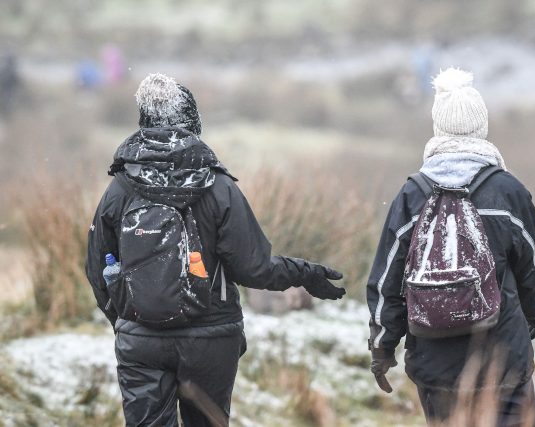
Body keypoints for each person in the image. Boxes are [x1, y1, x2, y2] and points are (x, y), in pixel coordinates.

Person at [85, 73, 345, 426]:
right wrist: (307, 274)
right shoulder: (218, 187)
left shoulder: (119, 190)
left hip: (140, 340)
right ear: (193, 124)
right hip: (211, 341)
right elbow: (254, 269)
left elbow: (97, 267)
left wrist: (127, 321)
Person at [366, 67, 535, 426]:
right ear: (482, 126)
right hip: (502, 362)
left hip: (436, 366)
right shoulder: (507, 191)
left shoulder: (412, 194)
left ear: (438, 128)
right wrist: (529, 324)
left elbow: (388, 280)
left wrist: (383, 346)